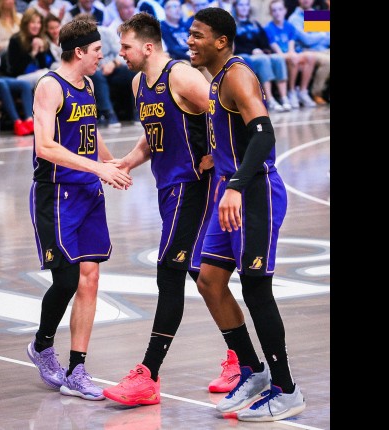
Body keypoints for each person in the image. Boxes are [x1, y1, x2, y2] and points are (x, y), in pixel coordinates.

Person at [100, 12, 235, 405]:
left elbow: (227, 110)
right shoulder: (138, 83)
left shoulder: (181, 75)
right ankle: (241, 360)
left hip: (193, 186)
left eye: (125, 47)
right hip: (168, 187)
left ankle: (148, 375)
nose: (121, 53)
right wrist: (128, 161)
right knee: (199, 274)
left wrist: (218, 158)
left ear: (147, 46)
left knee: (169, 272)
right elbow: (153, 134)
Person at [187, 7, 306, 421]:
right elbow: (234, 136)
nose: (190, 41)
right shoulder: (216, 79)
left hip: (254, 193)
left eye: (198, 35)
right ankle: (253, 372)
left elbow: (263, 133)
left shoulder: (237, 75)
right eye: (190, 34)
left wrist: (235, 184)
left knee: (256, 289)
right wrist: (214, 158)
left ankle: (286, 389)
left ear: (221, 41)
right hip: (231, 191)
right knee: (207, 279)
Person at [26, 17, 133, 402]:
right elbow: (45, 147)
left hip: (88, 192)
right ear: (79, 52)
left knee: (90, 279)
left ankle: (77, 370)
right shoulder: (50, 86)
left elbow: (90, 131)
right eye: (97, 51)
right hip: (57, 195)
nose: (102, 57)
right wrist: (97, 168)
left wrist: (112, 162)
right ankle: (42, 346)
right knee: (67, 279)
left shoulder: (86, 85)